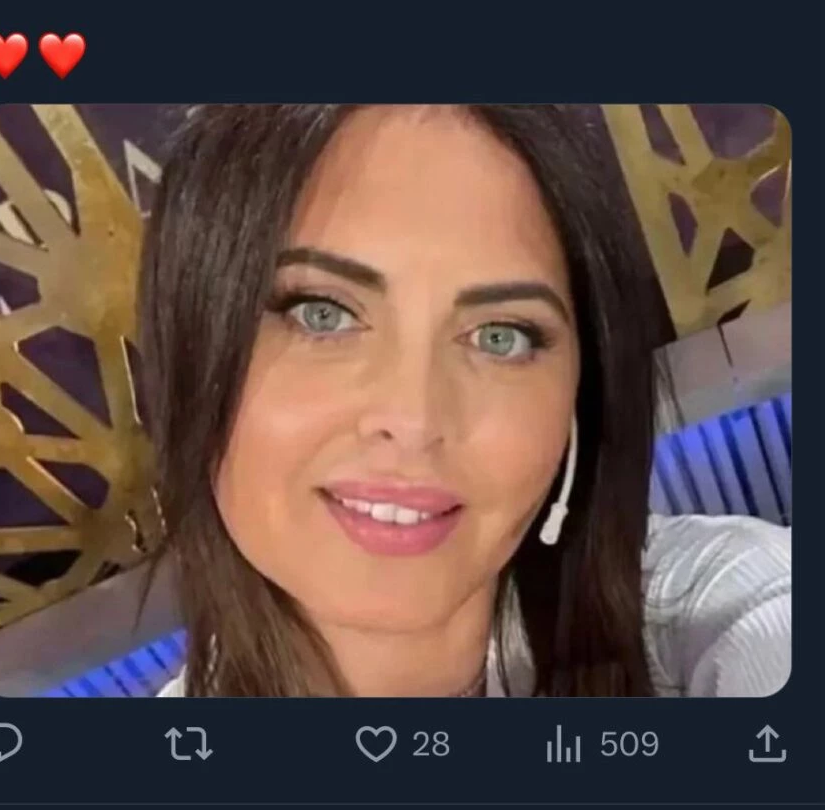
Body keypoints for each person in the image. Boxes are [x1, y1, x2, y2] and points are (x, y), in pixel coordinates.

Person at [138, 104, 791, 698]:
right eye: (322, 313)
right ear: (193, 349)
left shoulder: (722, 620)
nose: (413, 419)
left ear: (577, 398)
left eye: (499, 336)